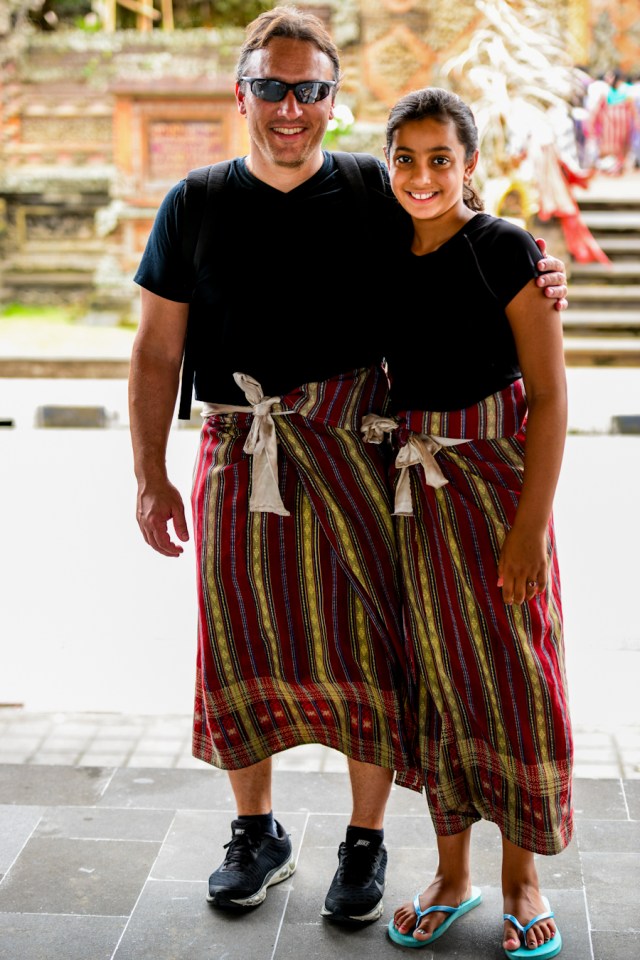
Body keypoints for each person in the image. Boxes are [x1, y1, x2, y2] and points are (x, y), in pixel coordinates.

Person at [128, 5, 569, 929]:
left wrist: (539, 270)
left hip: (358, 447)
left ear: (333, 98)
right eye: (272, 86)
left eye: (311, 89)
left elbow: (455, 231)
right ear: (241, 92)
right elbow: (154, 352)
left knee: (371, 644)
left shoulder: (374, 185)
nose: (291, 106)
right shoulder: (194, 202)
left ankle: (364, 842)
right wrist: (150, 473)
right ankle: (257, 832)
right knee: (241, 637)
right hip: (239, 449)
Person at [370, 87, 572, 958]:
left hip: (497, 492)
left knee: (517, 681)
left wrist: (530, 528)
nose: (421, 176)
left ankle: (523, 876)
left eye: (439, 159)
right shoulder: (378, 247)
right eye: (405, 159)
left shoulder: (503, 248)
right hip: (415, 499)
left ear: (470, 165)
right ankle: (454, 875)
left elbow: (553, 395)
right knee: (439, 686)